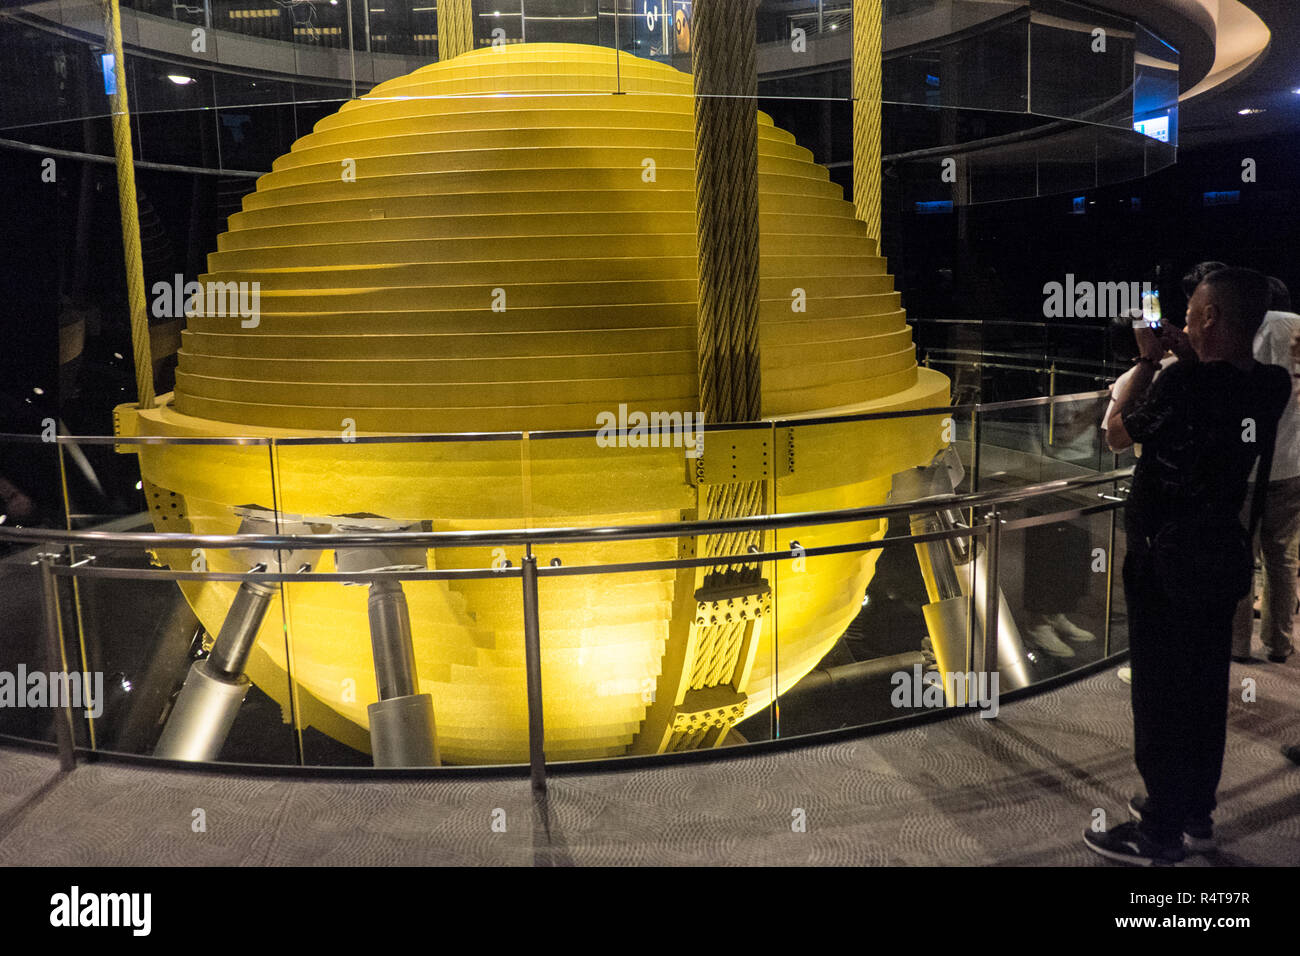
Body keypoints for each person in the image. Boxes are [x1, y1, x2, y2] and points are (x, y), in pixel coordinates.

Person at [1084, 268, 1292, 865]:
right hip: (1220, 556)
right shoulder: (1270, 385)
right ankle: (1195, 814)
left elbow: (1118, 436)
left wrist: (1149, 363)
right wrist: (1183, 354)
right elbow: (1222, 388)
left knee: (1160, 695)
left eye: (1196, 309)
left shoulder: (1177, 387)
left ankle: (1159, 832)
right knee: (1204, 689)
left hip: (1165, 563)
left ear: (1209, 317)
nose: (1187, 315)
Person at [1230, 278, 1300, 664]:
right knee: (1283, 559)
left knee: (1241, 554)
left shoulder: (1248, 327)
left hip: (1248, 465)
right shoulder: (1299, 329)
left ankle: (1238, 644)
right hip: (1293, 463)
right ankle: (1279, 643)